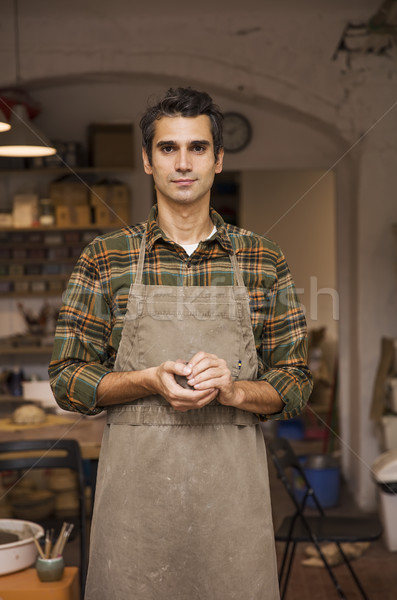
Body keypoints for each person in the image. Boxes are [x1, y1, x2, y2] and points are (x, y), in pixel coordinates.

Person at [49, 87, 312, 600]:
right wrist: (147, 380)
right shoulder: (106, 259)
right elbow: (66, 378)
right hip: (135, 515)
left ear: (218, 158)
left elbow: (296, 381)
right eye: (168, 148)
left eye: (197, 147)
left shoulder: (262, 259)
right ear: (147, 161)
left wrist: (235, 390)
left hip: (232, 511)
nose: (184, 162)